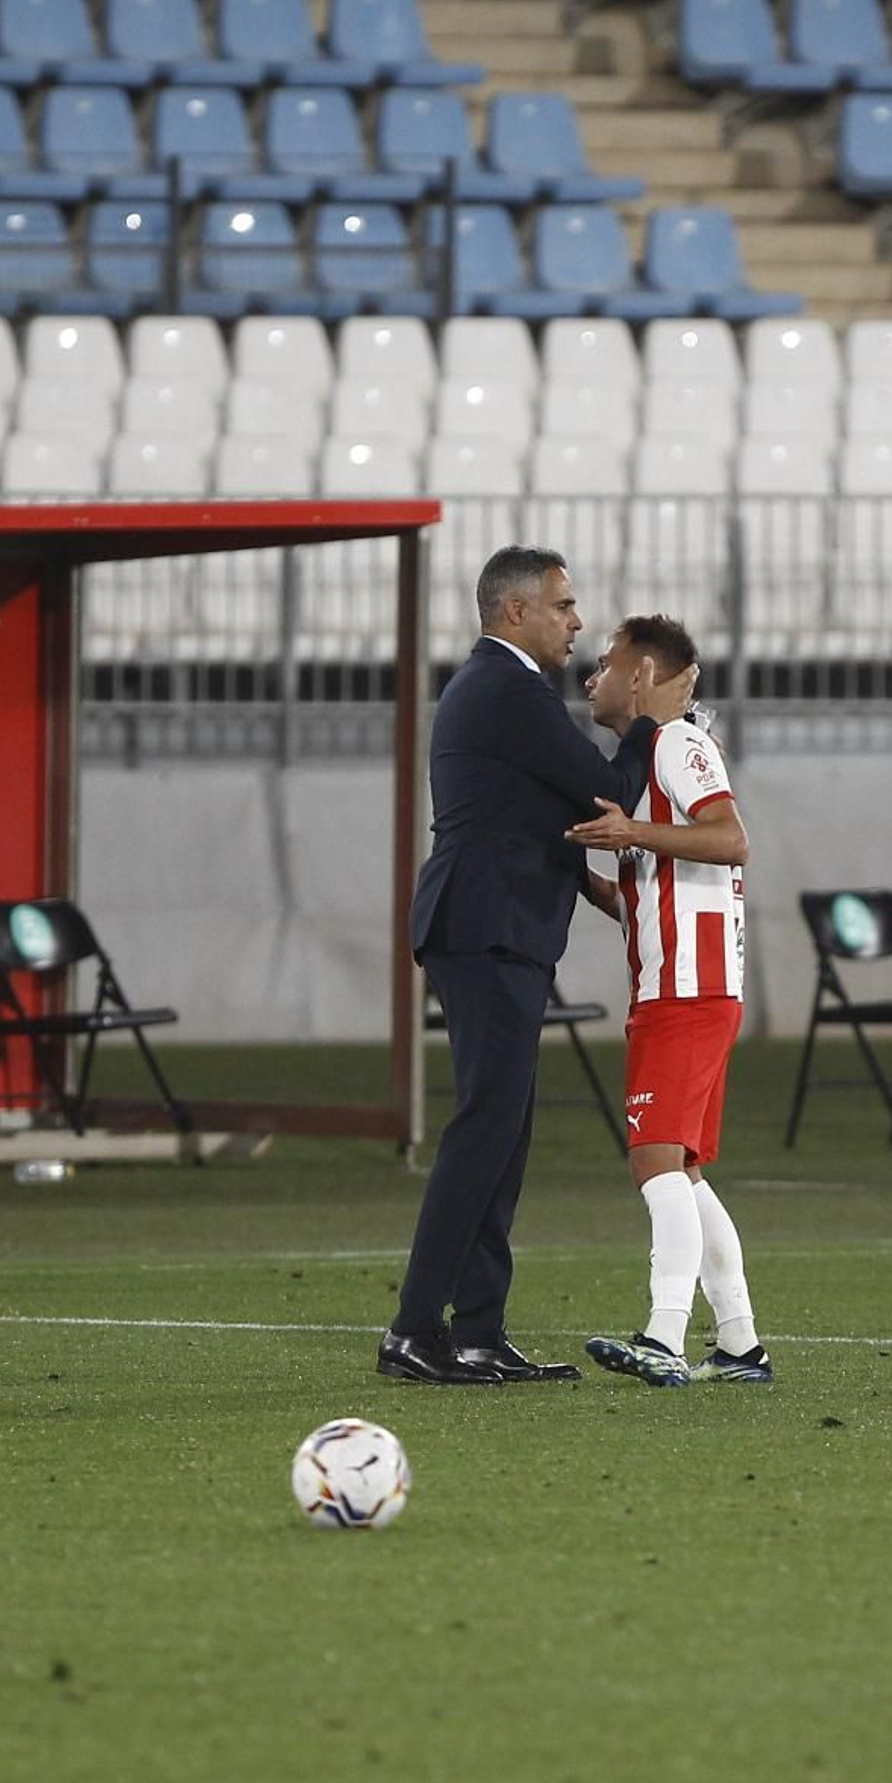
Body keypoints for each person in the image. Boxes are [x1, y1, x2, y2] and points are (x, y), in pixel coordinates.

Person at [378, 549, 696, 1386]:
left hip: (492, 925)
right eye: (562, 606)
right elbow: (602, 792)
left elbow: (533, 812)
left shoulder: (500, 692)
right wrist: (646, 720)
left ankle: (478, 1329)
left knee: (504, 1131)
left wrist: (584, 881)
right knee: (487, 1123)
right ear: (514, 612)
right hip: (485, 928)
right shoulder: (509, 689)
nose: (578, 622)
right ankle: (415, 1326)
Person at [566, 614, 772, 1388]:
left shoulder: (679, 743)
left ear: (644, 675)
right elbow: (646, 900)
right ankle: (740, 1343)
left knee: (654, 1160)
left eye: (607, 663)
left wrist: (634, 832)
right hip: (681, 988)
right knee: (680, 1170)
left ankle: (663, 1334)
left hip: (689, 989)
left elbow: (730, 837)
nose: (594, 677)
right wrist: (580, 872)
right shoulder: (644, 761)